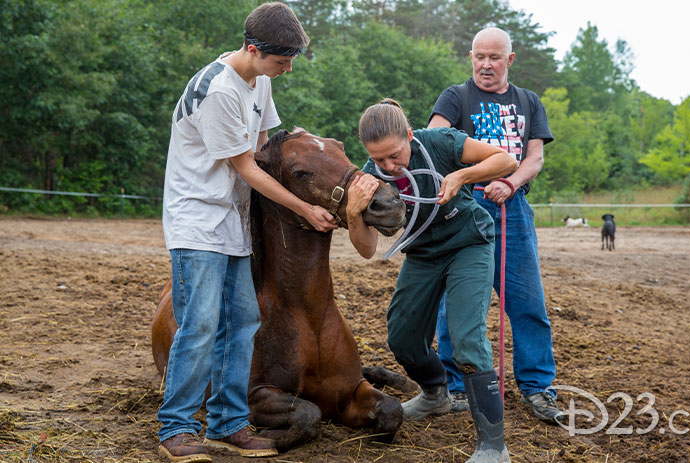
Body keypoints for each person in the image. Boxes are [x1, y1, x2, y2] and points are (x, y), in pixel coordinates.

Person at [159, 3, 337, 462]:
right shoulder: (219, 90)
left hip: (232, 221)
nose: (288, 68)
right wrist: (303, 208)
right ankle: (175, 428)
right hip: (198, 221)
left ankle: (226, 423)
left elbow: (260, 147)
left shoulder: (258, 79)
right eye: (282, 60)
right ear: (254, 49)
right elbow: (247, 169)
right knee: (199, 326)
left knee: (242, 322)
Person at [347, 98, 517, 463]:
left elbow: (507, 160)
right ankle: (435, 396)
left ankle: (493, 446)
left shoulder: (438, 142)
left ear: (409, 135)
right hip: (423, 252)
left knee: (466, 337)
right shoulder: (369, 178)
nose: (389, 166)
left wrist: (462, 175)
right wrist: (352, 213)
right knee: (403, 337)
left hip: (468, 243)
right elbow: (365, 249)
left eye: (395, 155)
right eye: (379, 160)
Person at [428, 27, 561, 423]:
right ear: (471, 56)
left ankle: (538, 388)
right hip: (466, 208)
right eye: (479, 57)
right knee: (457, 302)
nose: (486, 65)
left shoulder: (528, 101)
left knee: (528, 303)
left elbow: (534, 158)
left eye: (494, 58)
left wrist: (510, 181)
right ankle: (454, 387)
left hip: (513, 210)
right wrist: (471, 178)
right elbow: (434, 139)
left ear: (510, 60)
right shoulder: (456, 97)